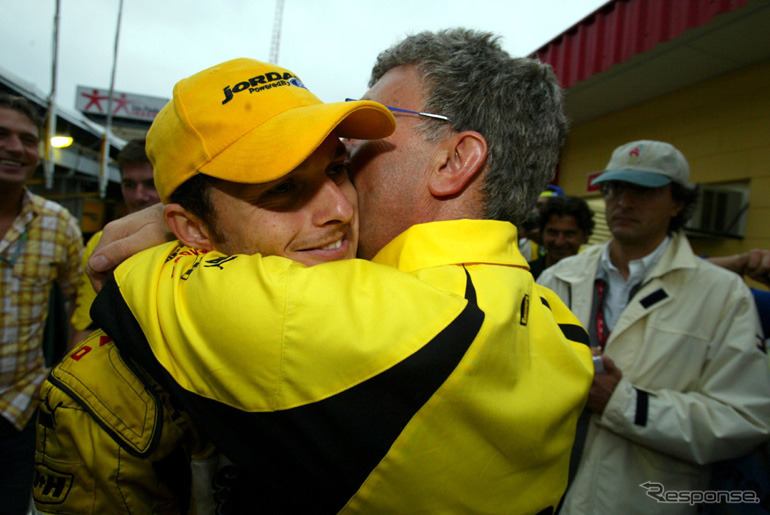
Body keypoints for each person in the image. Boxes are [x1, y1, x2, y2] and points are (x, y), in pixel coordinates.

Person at [78, 29, 594, 513]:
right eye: (282, 185)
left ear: (453, 161)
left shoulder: (368, 325)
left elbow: (123, 273)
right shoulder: (560, 326)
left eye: (373, 127)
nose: (347, 148)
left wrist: (183, 230)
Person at [33, 57, 398, 513]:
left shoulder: (407, 281)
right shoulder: (108, 394)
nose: (340, 209)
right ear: (192, 228)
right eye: (282, 188)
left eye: (336, 169)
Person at [537, 140, 770, 513]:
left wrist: (625, 403)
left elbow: (743, 419)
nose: (623, 202)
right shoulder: (558, 278)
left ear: (677, 203)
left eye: (643, 191)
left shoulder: (722, 295)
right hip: (546, 493)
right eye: (614, 189)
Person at [0, 93, 83, 514]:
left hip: (20, 411)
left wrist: (63, 383)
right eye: (3, 135)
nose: (16, 148)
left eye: (28, 140)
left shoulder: (58, 224)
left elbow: (80, 303)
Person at [70, 138, 160, 344]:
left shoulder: (199, 238)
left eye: (151, 184)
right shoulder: (101, 242)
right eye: (129, 184)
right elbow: (87, 325)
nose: (139, 196)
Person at [529, 195, 594, 279]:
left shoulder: (592, 279)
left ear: (585, 236)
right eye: (553, 232)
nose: (559, 242)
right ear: (542, 232)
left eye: (568, 234)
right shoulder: (525, 275)